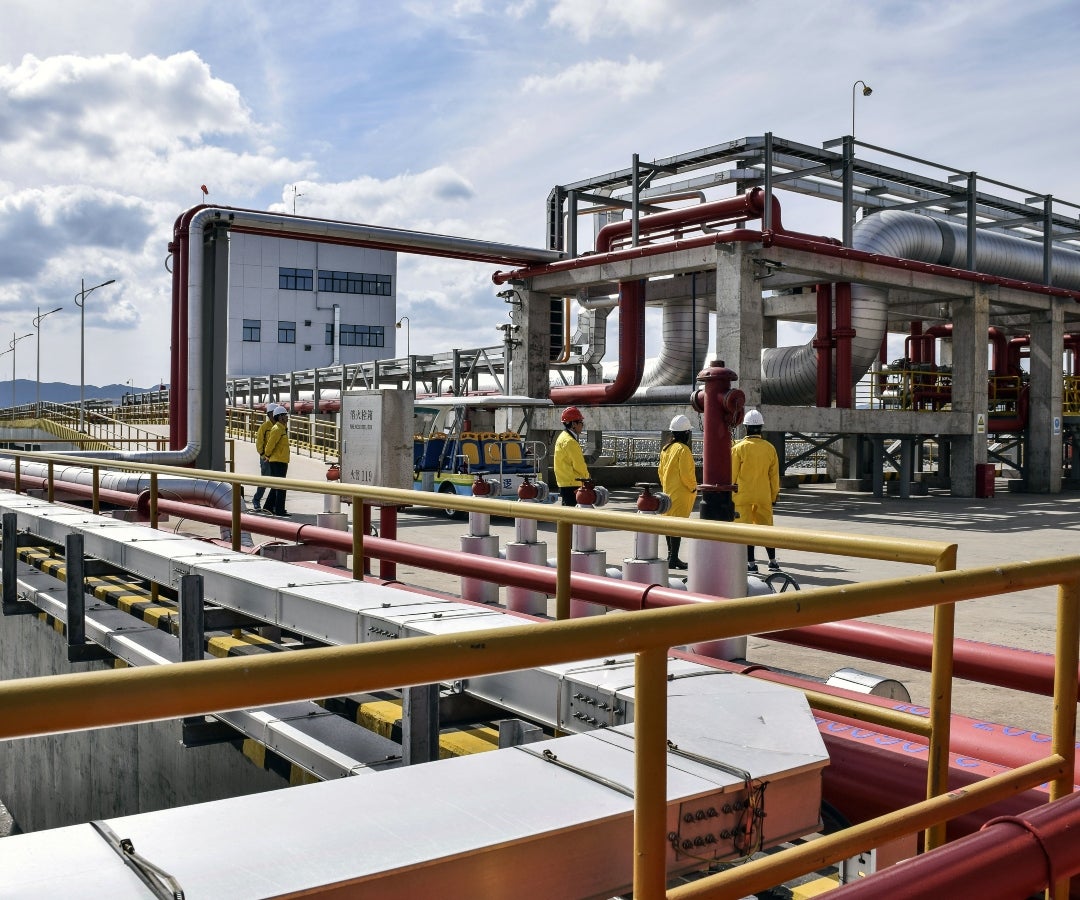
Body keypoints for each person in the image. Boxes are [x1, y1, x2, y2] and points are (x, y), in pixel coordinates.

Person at [731, 408, 780, 573]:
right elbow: (774, 476)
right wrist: (773, 496)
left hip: (742, 495)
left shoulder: (738, 449)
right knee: (766, 528)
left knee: (746, 530)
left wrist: (729, 495)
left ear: (745, 427)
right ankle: (773, 562)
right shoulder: (769, 448)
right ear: (761, 427)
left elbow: (732, 475)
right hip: (763, 494)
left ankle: (751, 564)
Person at [657, 414, 697, 570]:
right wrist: (693, 487)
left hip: (668, 492)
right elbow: (686, 474)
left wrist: (666, 485)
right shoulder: (683, 450)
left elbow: (660, 472)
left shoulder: (666, 449)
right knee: (678, 526)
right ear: (686, 433)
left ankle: (670, 556)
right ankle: (674, 558)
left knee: (669, 526)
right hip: (681, 493)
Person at [554, 406, 590, 506]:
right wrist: (587, 478)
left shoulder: (562, 437)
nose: (582, 425)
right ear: (573, 424)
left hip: (564, 482)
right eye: (581, 422)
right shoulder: (570, 441)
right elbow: (579, 464)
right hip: (573, 483)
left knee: (566, 516)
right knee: (574, 516)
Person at [263, 407, 291, 517]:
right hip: (277, 461)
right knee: (281, 486)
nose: (287, 417)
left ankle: (268, 507)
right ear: (279, 417)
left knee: (277, 486)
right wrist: (267, 455)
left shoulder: (282, 428)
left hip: (281, 460)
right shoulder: (277, 429)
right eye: (285, 415)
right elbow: (270, 445)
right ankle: (279, 510)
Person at [251, 404, 279, 511]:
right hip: (266, 459)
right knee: (265, 481)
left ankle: (273, 504)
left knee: (276, 482)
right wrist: (263, 456)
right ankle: (256, 500)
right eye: (274, 413)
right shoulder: (264, 427)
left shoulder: (279, 426)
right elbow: (259, 443)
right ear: (269, 414)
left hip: (277, 459)